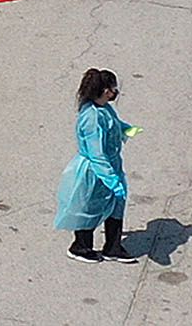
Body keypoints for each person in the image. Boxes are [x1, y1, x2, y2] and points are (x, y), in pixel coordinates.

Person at [55, 68, 137, 261]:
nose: (116, 92)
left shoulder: (103, 108)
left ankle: (113, 247)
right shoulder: (92, 118)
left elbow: (114, 123)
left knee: (116, 204)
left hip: (111, 165)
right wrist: (112, 180)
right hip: (95, 171)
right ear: (105, 90)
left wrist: (126, 129)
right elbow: (96, 154)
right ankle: (81, 247)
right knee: (90, 207)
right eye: (113, 88)